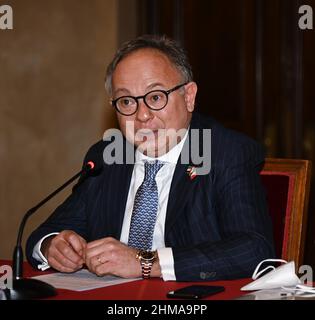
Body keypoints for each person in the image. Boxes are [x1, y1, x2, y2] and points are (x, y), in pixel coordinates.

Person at [26, 35, 275, 281]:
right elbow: (47, 233)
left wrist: (146, 262)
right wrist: (53, 247)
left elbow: (253, 249)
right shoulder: (108, 157)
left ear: (188, 96)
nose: (142, 115)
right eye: (126, 101)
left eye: (155, 97)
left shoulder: (225, 153)